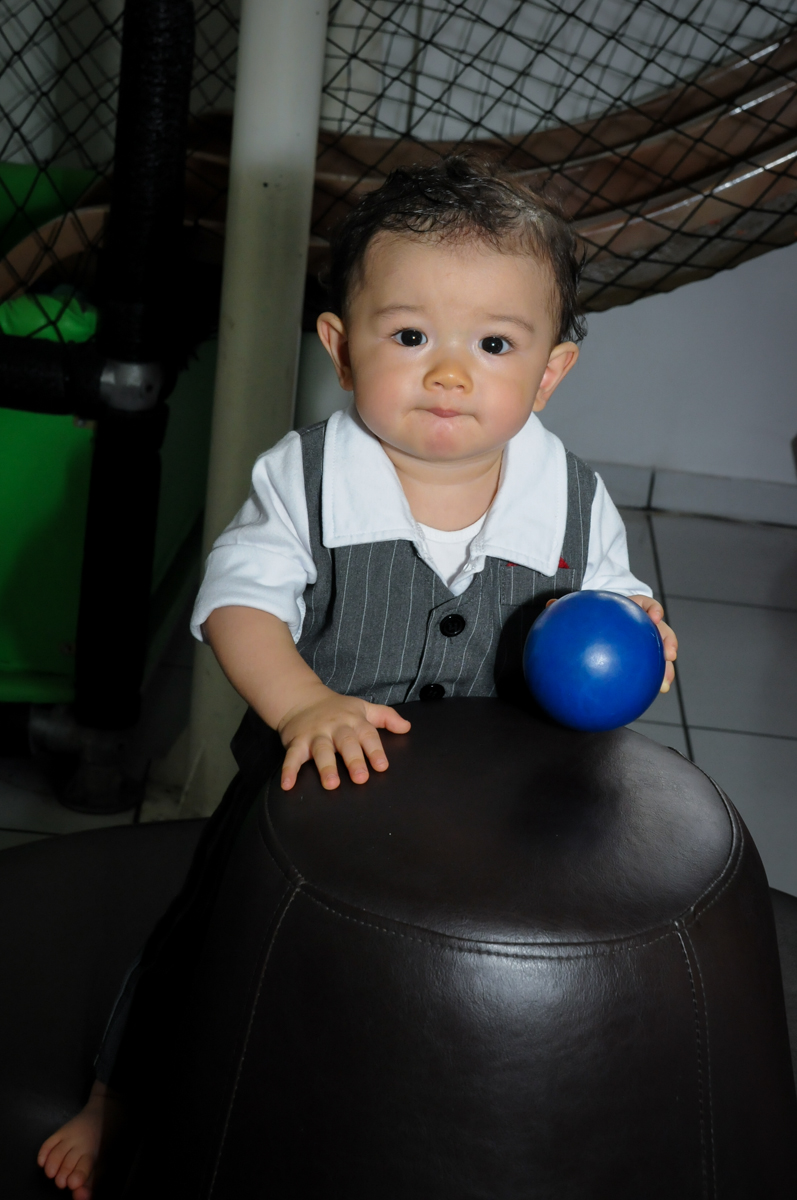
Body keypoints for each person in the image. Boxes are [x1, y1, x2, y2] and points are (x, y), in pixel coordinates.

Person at [37, 155, 677, 1197]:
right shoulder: (305, 478)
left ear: (550, 372)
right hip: (311, 792)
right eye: (409, 336)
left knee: (461, 972)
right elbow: (236, 604)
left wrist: (641, 634)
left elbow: (612, 612)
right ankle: (121, 1094)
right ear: (341, 349)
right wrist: (302, 704)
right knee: (207, 940)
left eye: (494, 344)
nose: (448, 374)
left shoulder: (569, 495)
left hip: (501, 810)